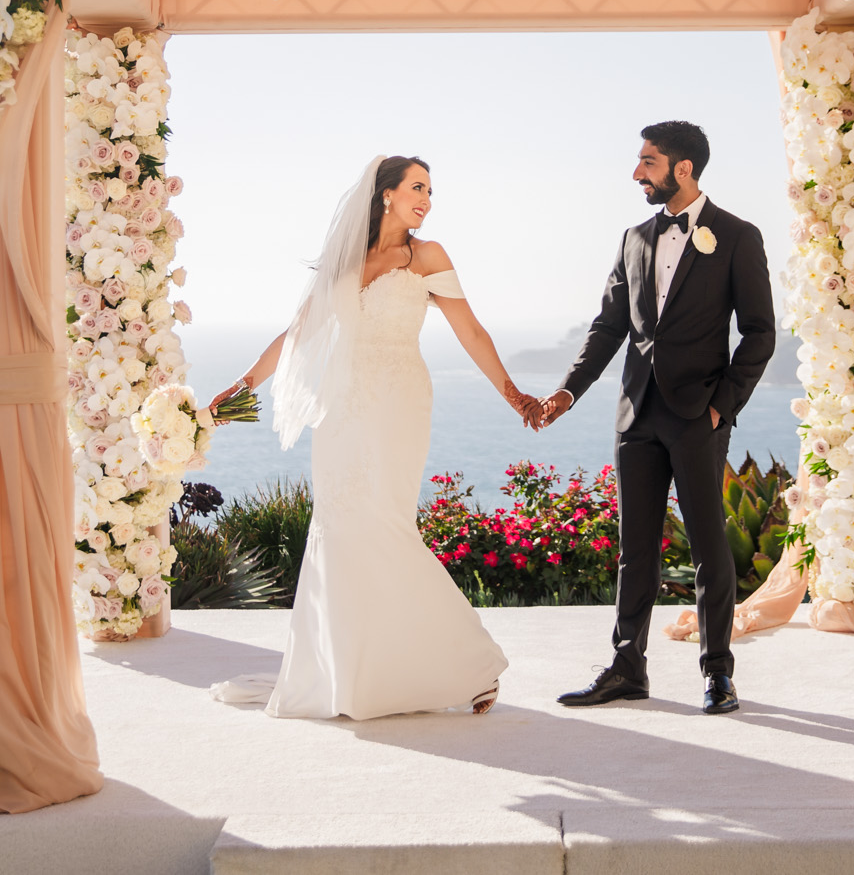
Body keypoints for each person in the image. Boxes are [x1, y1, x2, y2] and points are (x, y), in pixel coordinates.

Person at [208, 156, 541, 719]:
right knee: (338, 530)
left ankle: (469, 665)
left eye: (431, 191)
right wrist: (240, 386)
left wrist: (514, 395)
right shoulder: (343, 261)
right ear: (385, 194)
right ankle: (352, 678)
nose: (427, 199)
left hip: (398, 402)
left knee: (385, 526)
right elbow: (297, 333)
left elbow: (472, 330)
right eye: (418, 187)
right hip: (340, 412)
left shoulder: (428, 257)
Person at [534, 121, 774, 716]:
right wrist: (568, 393)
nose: (637, 172)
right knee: (634, 548)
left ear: (683, 167)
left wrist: (724, 403)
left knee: (708, 546)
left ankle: (718, 673)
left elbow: (760, 333)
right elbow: (609, 326)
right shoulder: (634, 238)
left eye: (648, 161)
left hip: (698, 416)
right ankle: (626, 669)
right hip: (635, 413)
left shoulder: (738, 236)